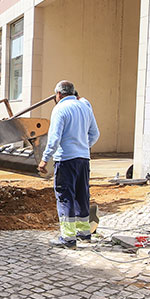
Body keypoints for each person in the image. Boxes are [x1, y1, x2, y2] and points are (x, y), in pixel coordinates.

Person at [38, 80, 100, 248]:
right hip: (83, 160)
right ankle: (84, 233)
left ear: (58, 94)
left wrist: (45, 159)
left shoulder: (60, 109)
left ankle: (67, 238)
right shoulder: (84, 108)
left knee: (65, 197)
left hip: (66, 160)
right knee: (81, 195)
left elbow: (54, 138)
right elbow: (95, 133)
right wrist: (83, 147)